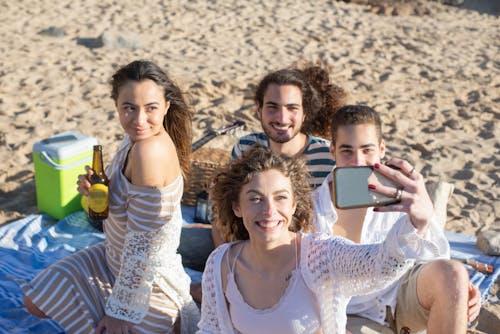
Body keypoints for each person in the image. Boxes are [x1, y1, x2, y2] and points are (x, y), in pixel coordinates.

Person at [21, 60, 200, 333]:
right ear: (117, 105)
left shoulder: (149, 151)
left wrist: (121, 312)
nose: (139, 119)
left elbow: (144, 244)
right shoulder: (135, 140)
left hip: (147, 278)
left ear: (166, 106)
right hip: (112, 257)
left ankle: (167, 321)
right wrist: (98, 193)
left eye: (150, 108)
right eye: (129, 108)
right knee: (36, 300)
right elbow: (124, 203)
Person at [197, 145, 446, 333]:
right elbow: (210, 329)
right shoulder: (221, 263)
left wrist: (417, 222)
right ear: (237, 208)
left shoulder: (320, 255)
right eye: (255, 198)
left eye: (281, 197)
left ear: (294, 205)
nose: (269, 210)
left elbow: (380, 265)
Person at [311, 105, 481, 333]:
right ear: (333, 151)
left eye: (367, 150)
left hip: (398, 298)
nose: (358, 161)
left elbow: (437, 259)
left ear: (381, 149)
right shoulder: (313, 207)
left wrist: (461, 287)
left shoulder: (402, 194)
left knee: (454, 273)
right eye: (347, 151)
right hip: (348, 311)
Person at [210, 64, 347, 248]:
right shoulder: (245, 147)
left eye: (292, 108)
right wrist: (228, 259)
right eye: (273, 107)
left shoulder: (328, 157)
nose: (282, 118)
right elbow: (222, 216)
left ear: (304, 113)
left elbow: (342, 223)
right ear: (258, 110)